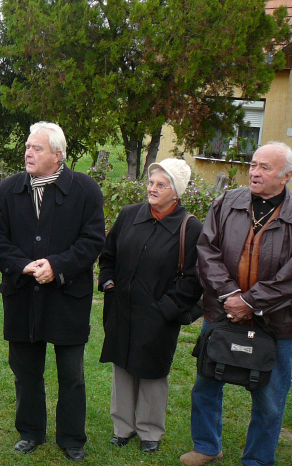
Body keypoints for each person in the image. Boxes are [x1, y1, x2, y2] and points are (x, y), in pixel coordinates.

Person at [179, 142, 292, 466]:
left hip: (275, 322)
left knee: (269, 398)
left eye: (264, 167)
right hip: (222, 313)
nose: (254, 172)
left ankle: (257, 460)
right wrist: (231, 296)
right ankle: (207, 446)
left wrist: (251, 303)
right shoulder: (227, 202)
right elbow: (206, 251)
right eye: (253, 165)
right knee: (206, 384)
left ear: (287, 176)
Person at [0, 121, 105, 462]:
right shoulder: (8, 190)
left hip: (68, 297)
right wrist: (24, 265)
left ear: (58, 154)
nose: (28, 152)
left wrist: (57, 265)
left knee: (71, 374)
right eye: (27, 146)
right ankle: (31, 432)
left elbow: (93, 240)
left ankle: (71, 438)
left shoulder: (85, 190)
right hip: (22, 293)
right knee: (25, 370)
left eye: (36, 148)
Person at [98, 158, 203, 454]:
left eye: (161, 185)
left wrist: (166, 309)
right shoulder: (130, 214)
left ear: (177, 192)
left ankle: (149, 430)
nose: (153, 189)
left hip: (159, 314)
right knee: (123, 365)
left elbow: (195, 278)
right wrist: (107, 282)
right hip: (122, 308)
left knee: (153, 371)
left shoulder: (190, 228)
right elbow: (108, 254)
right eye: (151, 183)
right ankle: (122, 427)